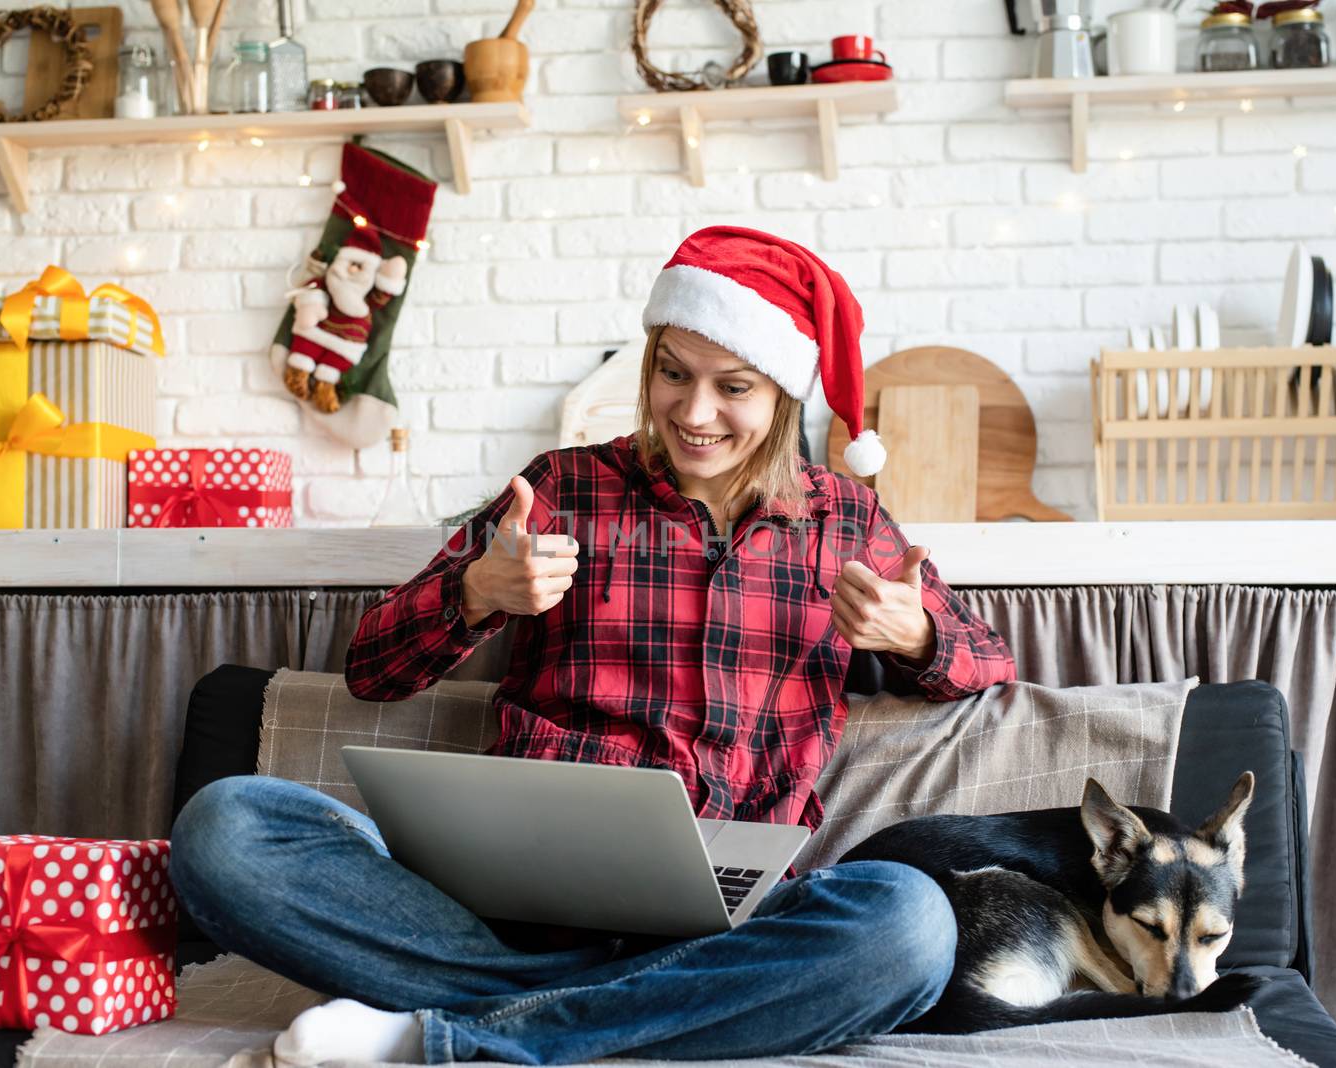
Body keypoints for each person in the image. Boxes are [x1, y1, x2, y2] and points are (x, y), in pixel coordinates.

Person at [170, 227, 1018, 1066]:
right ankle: (644, 1010)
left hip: (731, 922)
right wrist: (475, 594)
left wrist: (915, 634)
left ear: (783, 398)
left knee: (907, 926)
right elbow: (373, 669)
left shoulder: (847, 520)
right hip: (510, 911)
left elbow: (989, 661)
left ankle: (453, 1032)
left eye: (734, 388)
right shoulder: (559, 488)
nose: (694, 413)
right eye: (673, 375)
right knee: (225, 827)